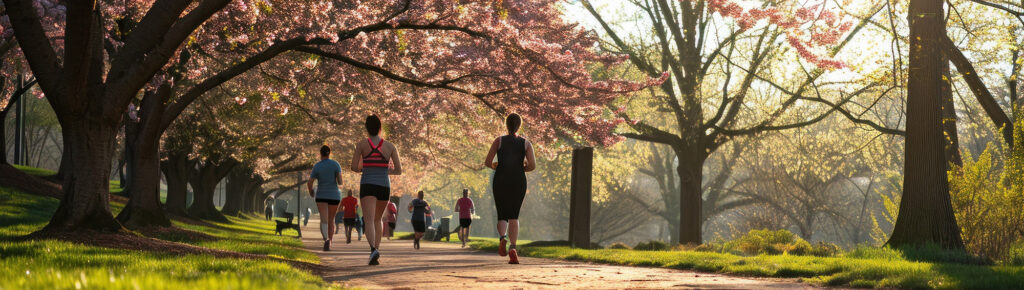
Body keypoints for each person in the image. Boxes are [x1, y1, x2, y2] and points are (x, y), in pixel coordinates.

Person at [483, 113, 536, 264]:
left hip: (500, 179)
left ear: (506, 125)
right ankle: (513, 248)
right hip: (518, 180)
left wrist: (497, 166)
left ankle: (502, 238)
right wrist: (521, 169)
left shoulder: (498, 141)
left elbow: (488, 162)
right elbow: (532, 165)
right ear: (520, 125)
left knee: (502, 213)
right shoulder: (526, 143)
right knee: (514, 215)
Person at [351, 114, 403, 265]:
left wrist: (365, 168)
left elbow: (354, 167)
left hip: (367, 184)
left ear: (366, 128)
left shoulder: (362, 145)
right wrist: (385, 171)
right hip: (384, 186)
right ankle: (376, 250)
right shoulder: (390, 146)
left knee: (368, 220)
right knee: (377, 219)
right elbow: (398, 170)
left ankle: (373, 249)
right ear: (380, 128)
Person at [308, 144, 344, 251]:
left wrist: (311, 192)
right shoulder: (336, 164)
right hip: (334, 195)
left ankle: (326, 239)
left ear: (320, 154)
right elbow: (340, 182)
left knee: (324, 219)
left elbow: (310, 182)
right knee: (331, 220)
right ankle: (330, 241)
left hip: (321, 195)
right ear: (330, 153)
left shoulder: (317, 166)